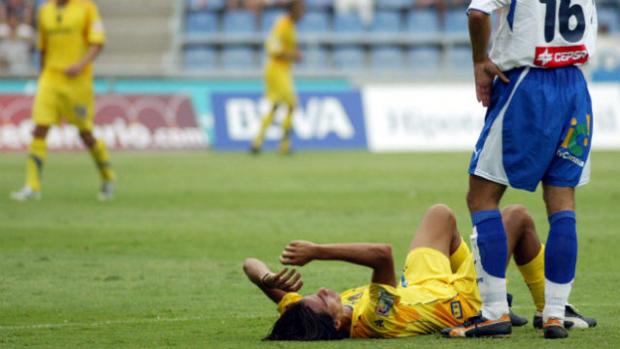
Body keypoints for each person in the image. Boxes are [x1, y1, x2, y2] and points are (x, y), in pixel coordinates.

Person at [451, 0, 598, 339]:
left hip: (527, 86)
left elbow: (477, 13)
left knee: (482, 195)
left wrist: (479, 61)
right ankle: (555, 314)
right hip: (575, 90)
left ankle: (493, 311)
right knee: (562, 202)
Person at [243, 204, 596, 340]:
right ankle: (544, 308)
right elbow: (382, 255)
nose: (321, 290)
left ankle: (502, 297)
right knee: (517, 217)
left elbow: (249, 264)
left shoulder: (310, 315)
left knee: (440, 215)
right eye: (322, 300)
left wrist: (267, 280)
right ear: (336, 324)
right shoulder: (375, 320)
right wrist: (318, 251)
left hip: (421, 282)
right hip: (460, 299)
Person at [11, 0, 115, 201]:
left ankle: (107, 177)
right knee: (39, 128)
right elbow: (43, 47)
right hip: (50, 78)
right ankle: (32, 186)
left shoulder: (86, 8)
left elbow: (98, 42)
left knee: (86, 134)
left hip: (77, 81)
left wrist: (80, 64)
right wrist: (41, 77)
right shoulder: (44, 11)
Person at [250, 0, 304, 155]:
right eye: (300, 8)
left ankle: (257, 142)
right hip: (276, 70)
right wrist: (293, 54)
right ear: (293, 9)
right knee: (291, 104)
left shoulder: (290, 25)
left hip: (282, 70)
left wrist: (292, 55)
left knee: (276, 106)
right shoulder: (283, 24)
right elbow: (273, 47)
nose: (302, 12)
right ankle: (284, 145)